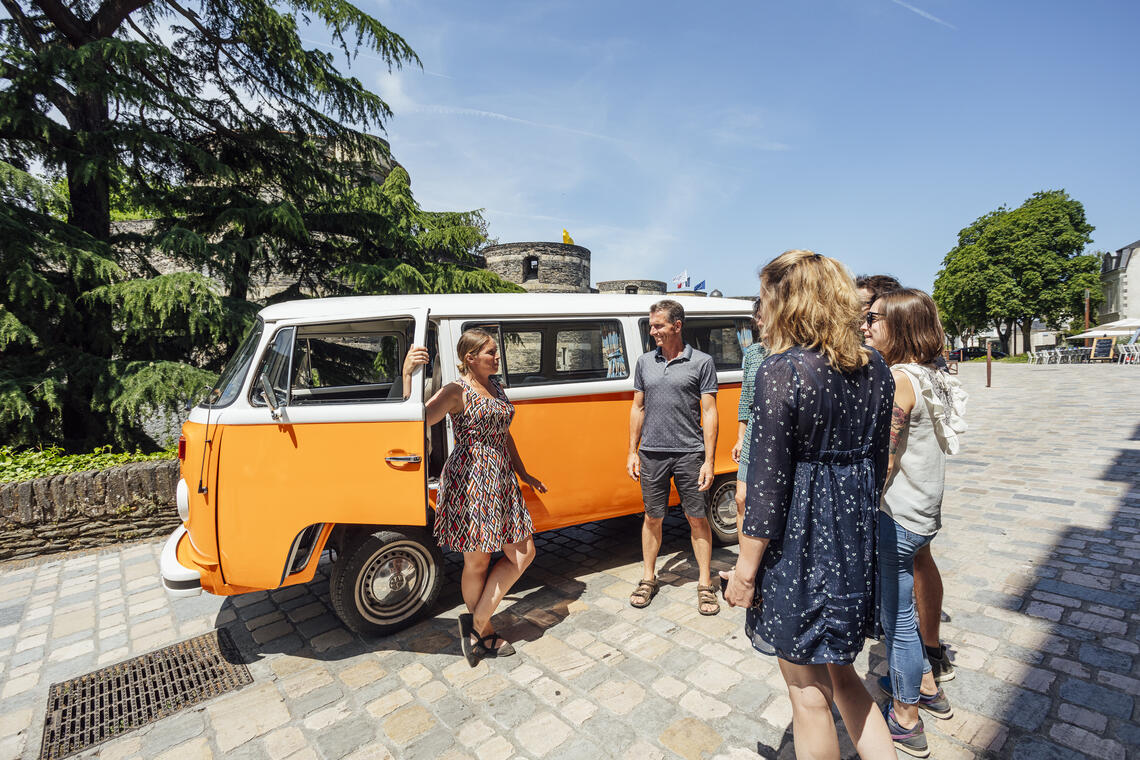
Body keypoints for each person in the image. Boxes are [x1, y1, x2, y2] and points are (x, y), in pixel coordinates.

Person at [721, 250, 896, 760]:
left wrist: (745, 572)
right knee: (843, 675)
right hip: (853, 536)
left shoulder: (783, 370)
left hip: (798, 545)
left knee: (807, 693)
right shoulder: (876, 366)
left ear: (787, 301)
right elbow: (879, 461)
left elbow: (768, 483)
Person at [862, 288, 967, 757]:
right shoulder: (932, 374)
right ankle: (926, 687)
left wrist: (862, 507)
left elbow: (886, 458)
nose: (866, 326)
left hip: (897, 514)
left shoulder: (900, 378)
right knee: (902, 614)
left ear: (900, 326)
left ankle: (905, 717)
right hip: (924, 512)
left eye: (875, 319)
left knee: (898, 620)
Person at [403, 329, 547, 666]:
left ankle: (477, 622)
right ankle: (484, 631)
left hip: (501, 477)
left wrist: (522, 472)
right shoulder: (457, 390)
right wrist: (407, 376)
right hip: (470, 479)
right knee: (477, 561)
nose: (497, 357)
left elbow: (503, 432)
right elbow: (418, 418)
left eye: (496, 352)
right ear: (470, 358)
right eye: (491, 352)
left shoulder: (495, 385)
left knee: (523, 553)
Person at [626, 299, 721, 616]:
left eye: (658, 325)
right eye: (651, 325)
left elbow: (709, 412)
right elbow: (637, 408)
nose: (652, 331)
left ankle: (705, 584)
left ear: (677, 326)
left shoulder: (702, 362)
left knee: (697, 518)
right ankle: (648, 578)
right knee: (652, 517)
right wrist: (632, 450)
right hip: (652, 453)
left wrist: (709, 460)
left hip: (690, 453)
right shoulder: (644, 363)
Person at [731, 298, 768, 523]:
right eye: (758, 317)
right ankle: (745, 558)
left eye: (763, 316)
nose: (759, 322)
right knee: (741, 498)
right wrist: (740, 438)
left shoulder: (793, 352)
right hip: (753, 432)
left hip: (776, 434)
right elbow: (746, 397)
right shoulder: (753, 352)